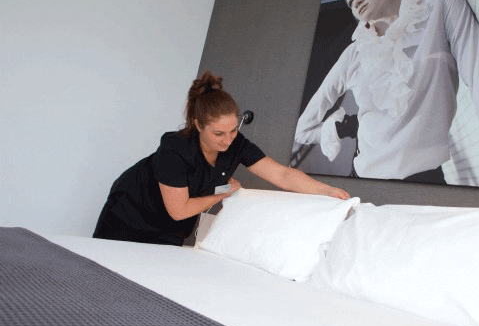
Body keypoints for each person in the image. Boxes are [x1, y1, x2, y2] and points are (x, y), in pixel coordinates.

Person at [294, 0, 479, 190]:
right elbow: (301, 130)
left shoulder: (439, 6)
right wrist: (341, 129)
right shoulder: (353, 55)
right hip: (363, 182)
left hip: (427, 182)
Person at [93, 71, 350, 246]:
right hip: (128, 216)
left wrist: (327, 190)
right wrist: (224, 192)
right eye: (218, 134)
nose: (227, 141)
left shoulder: (235, 144)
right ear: (198, 125)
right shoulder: (175, 148)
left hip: (169, 229)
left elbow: (281, 174)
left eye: (233, 130)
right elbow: (178, 209)